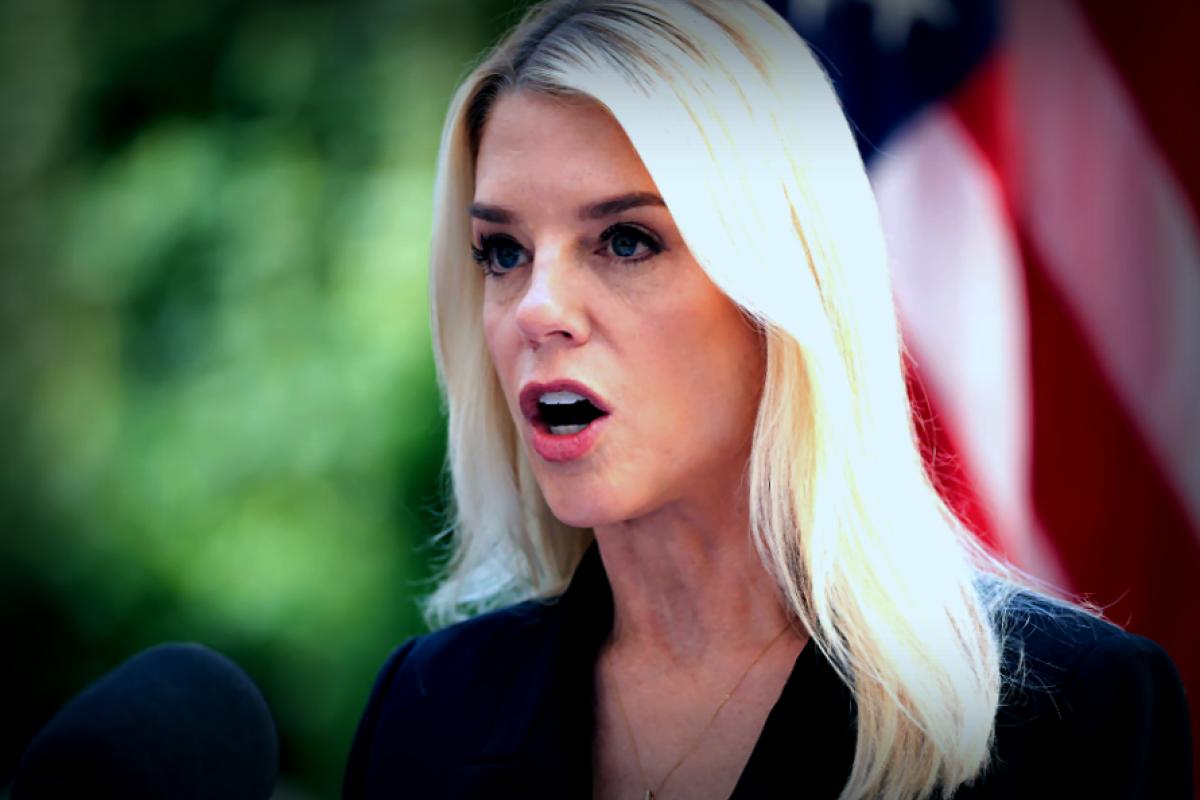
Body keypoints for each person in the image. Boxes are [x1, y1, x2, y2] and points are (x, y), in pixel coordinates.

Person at [343, 1, 1194, 797]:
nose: (537, 309)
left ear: (783, 288)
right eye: (502, 252)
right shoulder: (424, 710)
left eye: (626, 241)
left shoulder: (1073, 711)